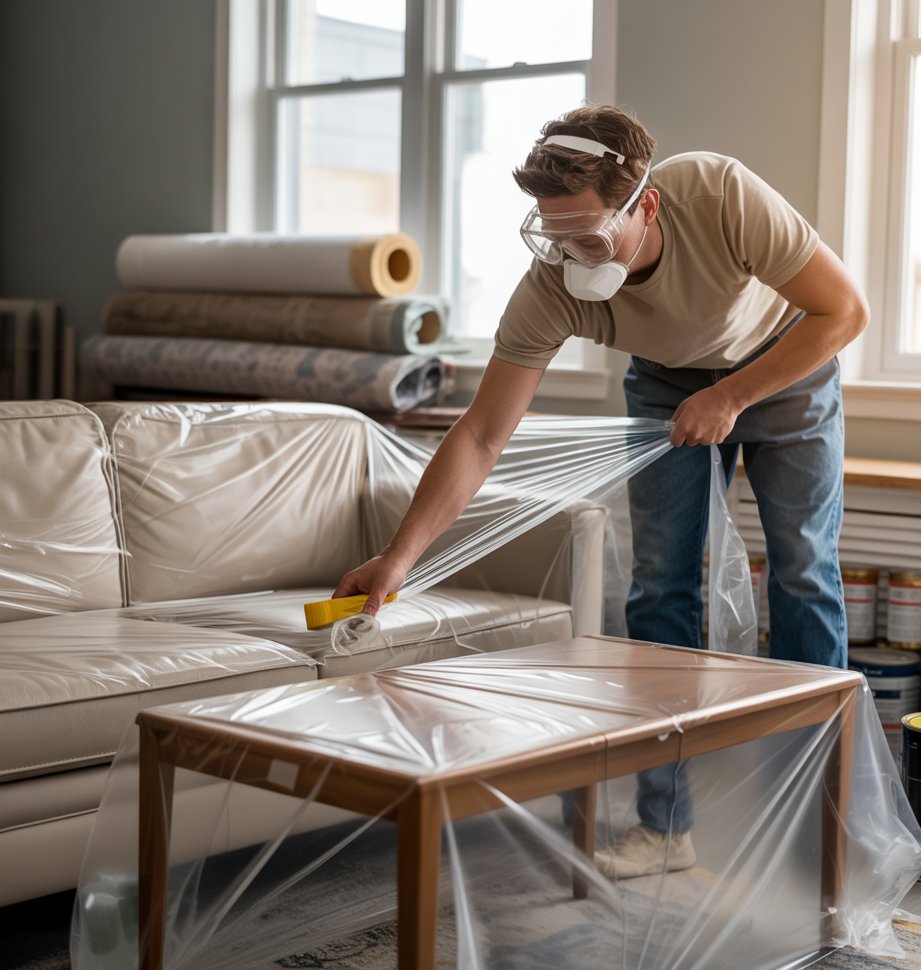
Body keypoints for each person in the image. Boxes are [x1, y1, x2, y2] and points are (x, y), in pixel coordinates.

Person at [334, 104, 869, 879]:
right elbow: (483, 435)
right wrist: (399, 558)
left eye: (589, 234)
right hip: (663, 385)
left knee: (803, 571)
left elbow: (842, 310)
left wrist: (732, 397)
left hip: (788, 362)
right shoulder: (552, 286)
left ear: (645, 204)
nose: (571, 253)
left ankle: (818, 824)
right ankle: (666, 829)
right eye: (554, 235)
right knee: (660, 590)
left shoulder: (719, 194)